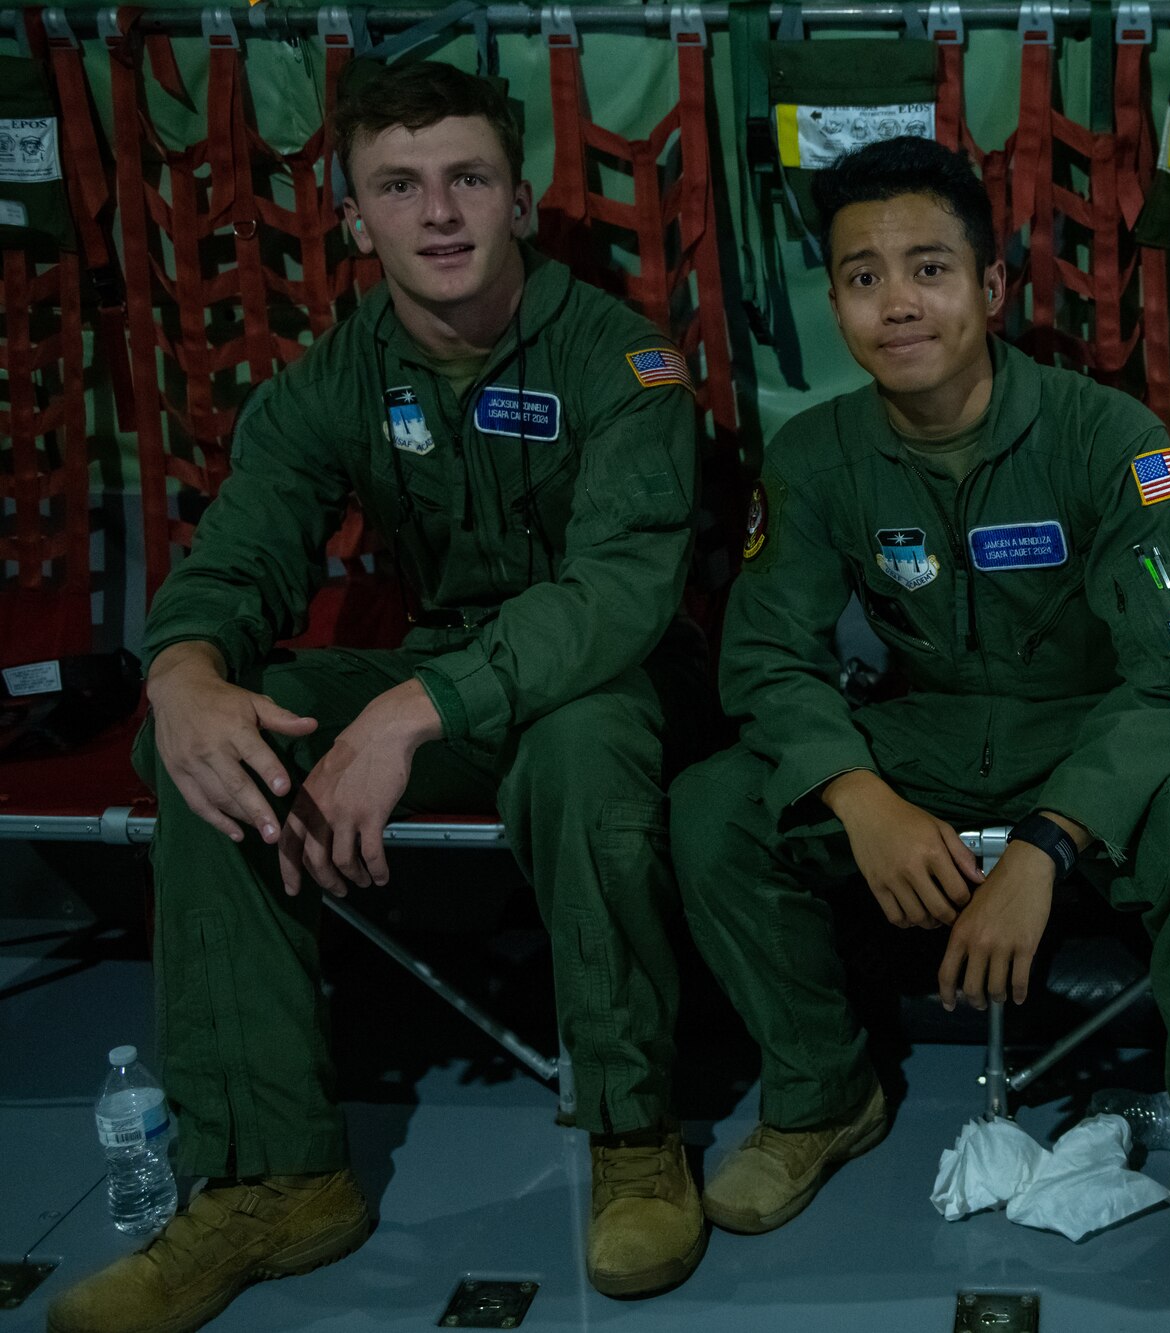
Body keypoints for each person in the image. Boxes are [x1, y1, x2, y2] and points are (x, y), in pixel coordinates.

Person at [47, 60, 706, 1333]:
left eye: (467, 179)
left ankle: (633, 1134)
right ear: (357, 218)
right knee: (217, 737)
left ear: (521, 196)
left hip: (607, 682)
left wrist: (409, 713)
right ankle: (273, 1176)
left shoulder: (623, 362)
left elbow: (617, 599)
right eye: (398, 187)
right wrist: (182, 675)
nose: (439, 213)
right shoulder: (333, 380)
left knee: (580, 743)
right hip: (447, 673)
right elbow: (239, 556)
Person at [668, 137, 1170, 1327]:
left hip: (1105, 737)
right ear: (834, 301)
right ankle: (820, 1096)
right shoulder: (815, 457)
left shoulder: (1110, 440)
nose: (896, 301)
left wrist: (1046, 844)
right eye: (861, 277)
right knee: (712, 811)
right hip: (916, 736)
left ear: (991, 288)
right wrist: (859, 795)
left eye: (927, 268)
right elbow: (762, 656)